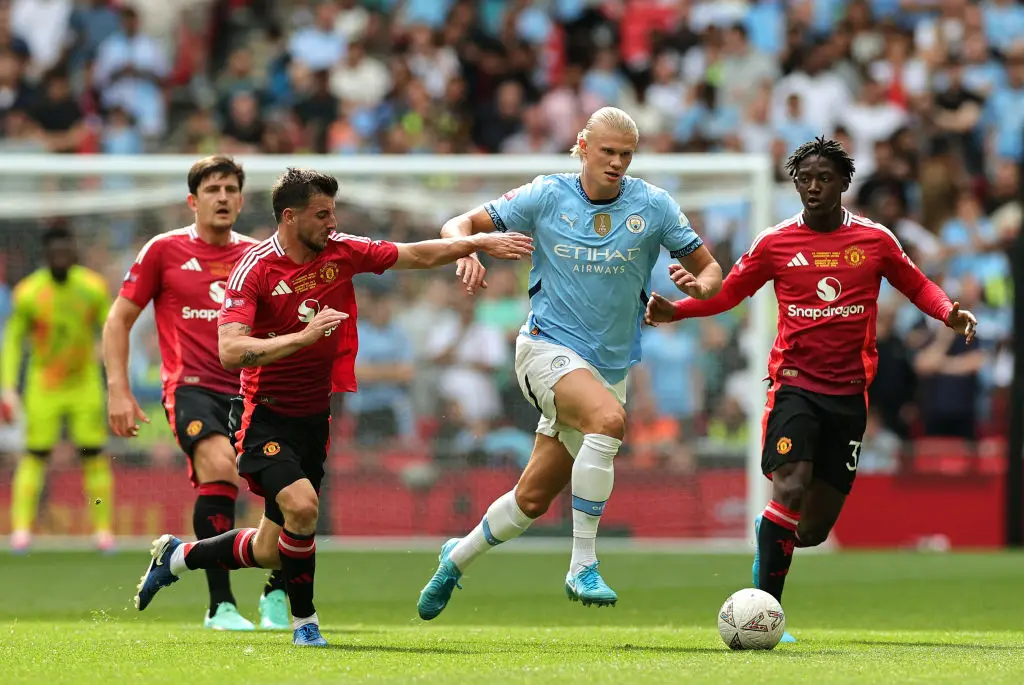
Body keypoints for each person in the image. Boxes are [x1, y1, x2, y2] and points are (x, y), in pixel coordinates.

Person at [132, 167, 533, 647]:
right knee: (303, 508)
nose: (331, 221)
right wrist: (302, 337)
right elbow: (230, 350)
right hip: (264, 414)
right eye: (322, 214)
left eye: (333, 212)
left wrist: (475, 245)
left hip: (313, 416)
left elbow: (414, 254)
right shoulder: (255, 268)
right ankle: (305, 624)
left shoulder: (341, 250)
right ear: (289, 216)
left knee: (270, 548)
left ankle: (175, 558)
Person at [645, 137, 978, 642]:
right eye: (805, 179)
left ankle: (770, 538)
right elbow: (731, 292)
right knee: (791, 485)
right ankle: (765, 614)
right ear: (795, 184)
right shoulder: (775, 243)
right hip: (794, 385)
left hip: (848, 395)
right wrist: (678, 310)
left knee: (812, 529)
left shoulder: (875, 240)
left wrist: (948, 312)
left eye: (824, 179)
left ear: (844, 183)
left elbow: (916, 284)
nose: (814, 187)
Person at [417, 106, 722, 620]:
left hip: (608, 369)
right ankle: (583, 563)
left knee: (531, 500)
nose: (618, 163)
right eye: (608, 152)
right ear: (583, 146)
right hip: (544, 347)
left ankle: (455, 558)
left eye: (626, 154)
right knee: (609, 421)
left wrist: (695, 293)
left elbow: (709, 268)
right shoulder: (546, 194)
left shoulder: (655, 206)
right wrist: (466, 248)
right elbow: (459, 222)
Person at [103, 155, 289, 631]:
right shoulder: (162, 251)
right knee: (218, 467)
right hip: (191, 387)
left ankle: (277, 591)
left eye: (230, 189)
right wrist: (119, 390)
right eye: (212, 189)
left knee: (287, 489)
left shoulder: (258, 255)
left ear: (242, 199)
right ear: (193, 200)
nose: (223, 197)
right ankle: (220, 604)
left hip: (251, 388)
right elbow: (119, 320)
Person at [4, 225, 113, 554]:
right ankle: (21, 530)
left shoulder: (93, 288)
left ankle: (103, 532)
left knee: (92, 455)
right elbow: (12, 342)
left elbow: (111, 331)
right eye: (56, 253)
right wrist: (7, 388)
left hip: (84, 384)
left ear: (74, 252)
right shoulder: (28, 293)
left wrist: (115, 374)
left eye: (67, 251)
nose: (62, 258)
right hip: (44, 386)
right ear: (47, 255)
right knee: (35, 455)